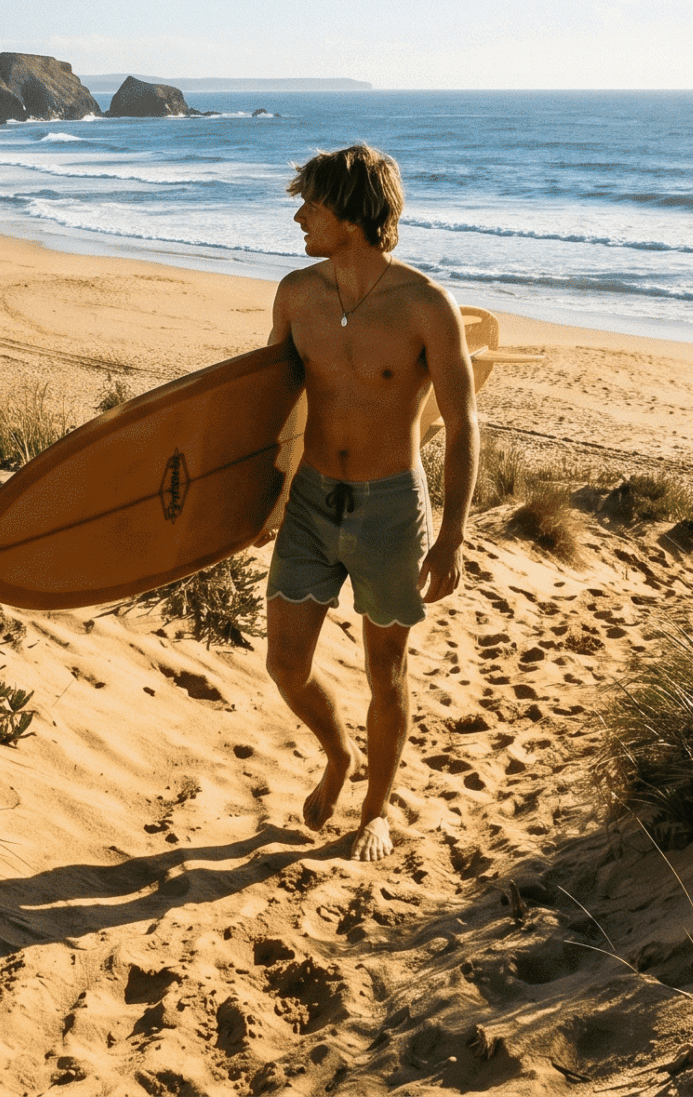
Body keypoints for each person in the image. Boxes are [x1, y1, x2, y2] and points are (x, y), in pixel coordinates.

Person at [262, 145, 477, 861]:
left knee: (386, 671)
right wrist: (263, 499)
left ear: (350, 217)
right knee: (285, 664)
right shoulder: (296, 294)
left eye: (312, 205)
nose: (299, 217)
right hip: (310, 500)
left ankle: (375, 811)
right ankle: (338, 756)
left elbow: (464, 423)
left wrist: (452, 536)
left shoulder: (425, 306)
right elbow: (272, 403)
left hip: (390, 508)